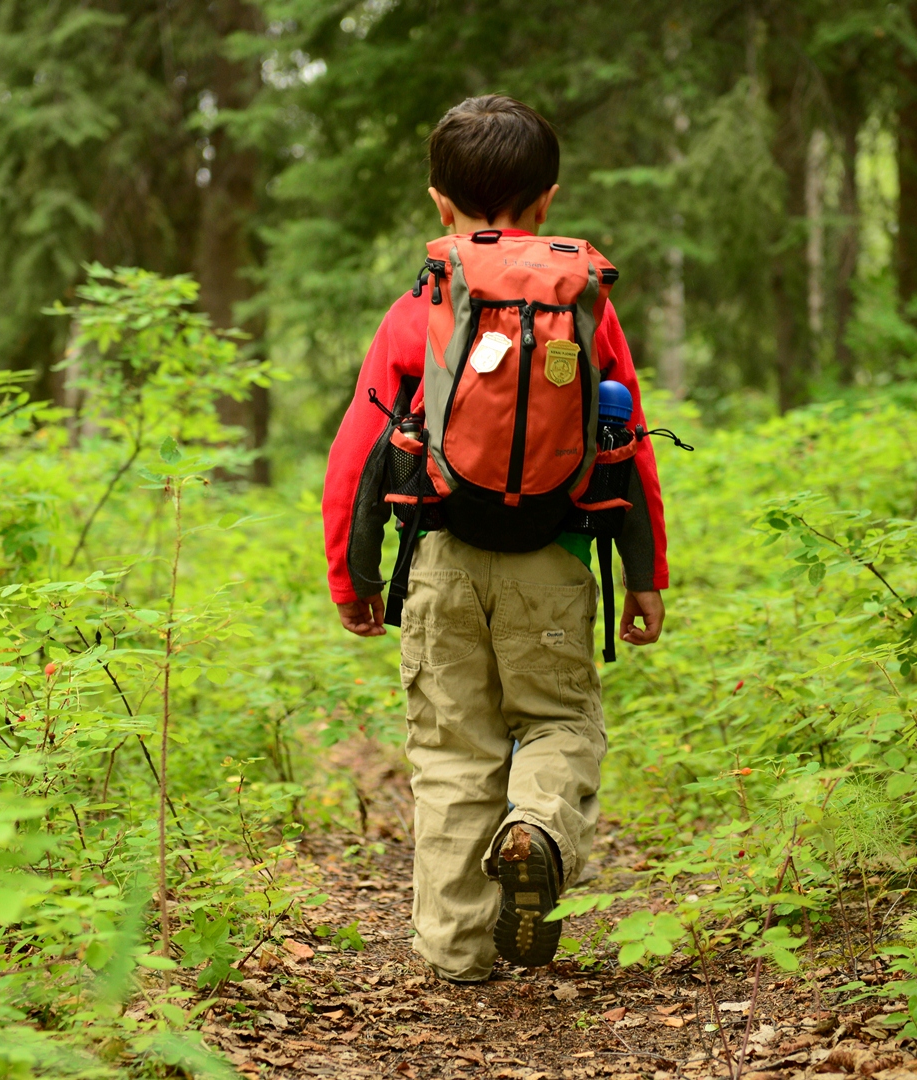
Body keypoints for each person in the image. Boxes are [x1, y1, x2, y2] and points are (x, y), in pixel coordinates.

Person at [320, 95, 670, 984]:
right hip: (554, 559)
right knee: (557, 721)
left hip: (439, 557)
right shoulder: (583, 301)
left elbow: (357, 452)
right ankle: (539, 826)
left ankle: (455, 950)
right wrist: (645, 573)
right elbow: (627, 443)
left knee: (451, 752)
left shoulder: (422, 307)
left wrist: (351, 575)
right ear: (547, 201)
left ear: (440, 204)